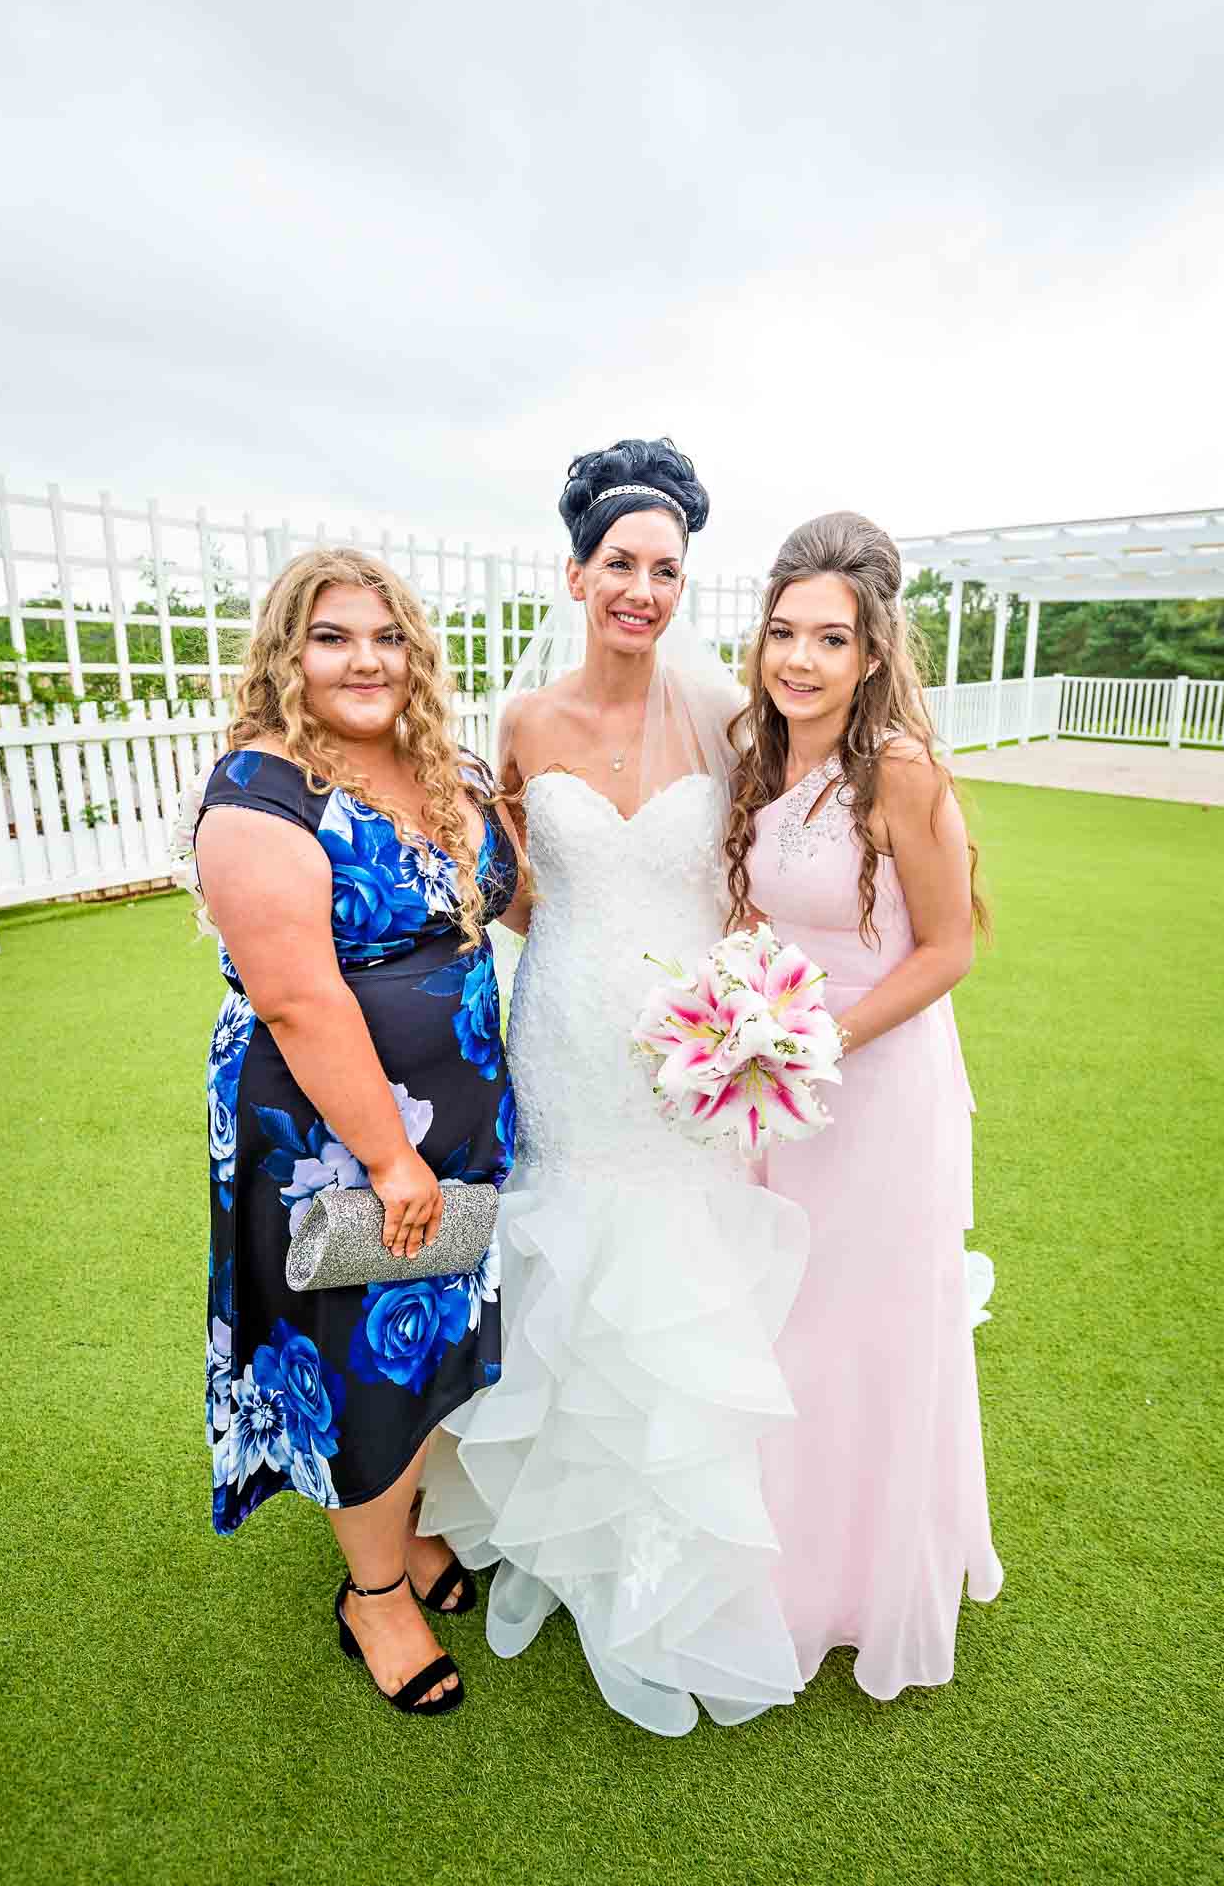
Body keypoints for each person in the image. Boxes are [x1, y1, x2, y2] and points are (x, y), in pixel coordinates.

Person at [420, 439, 811, 1737]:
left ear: (680, 581)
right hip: (570, 1030)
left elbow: (758, 874)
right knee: (572, 1255)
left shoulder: (728, 715)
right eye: (619, 564)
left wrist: (736, 1008)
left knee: (677, 1264)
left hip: (693, 1043)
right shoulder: (526, 722)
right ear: (576, 574)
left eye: (665, 568)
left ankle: (671, 1545)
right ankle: (563, 1528)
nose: (641, 587)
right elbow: (522, 887)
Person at [194, 547, 523, 1718]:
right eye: (332, 636)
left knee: (430, 1344)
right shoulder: (261, 796)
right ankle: (372, 1592)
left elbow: (504, 901)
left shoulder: (448, 767)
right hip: (336, 1140)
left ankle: (405, 1532)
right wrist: (389, 1157)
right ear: (288, 652)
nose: (364, 659)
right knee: (362, 1361)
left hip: (462, 1116)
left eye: (386, 635)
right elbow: (299, 999)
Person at [726, 510, 1003, 1701]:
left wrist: (823, 1040)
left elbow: (949, 948)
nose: (798, 659)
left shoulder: (900, 772)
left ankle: (869, 1581)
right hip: (773, 1079)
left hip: (877, 1086)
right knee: (786, 1317)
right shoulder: (756, 751)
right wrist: (741, 1017)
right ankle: (789, 1561)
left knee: (867, 1320)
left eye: (827, 639)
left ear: (871, 653)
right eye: (783, 631)